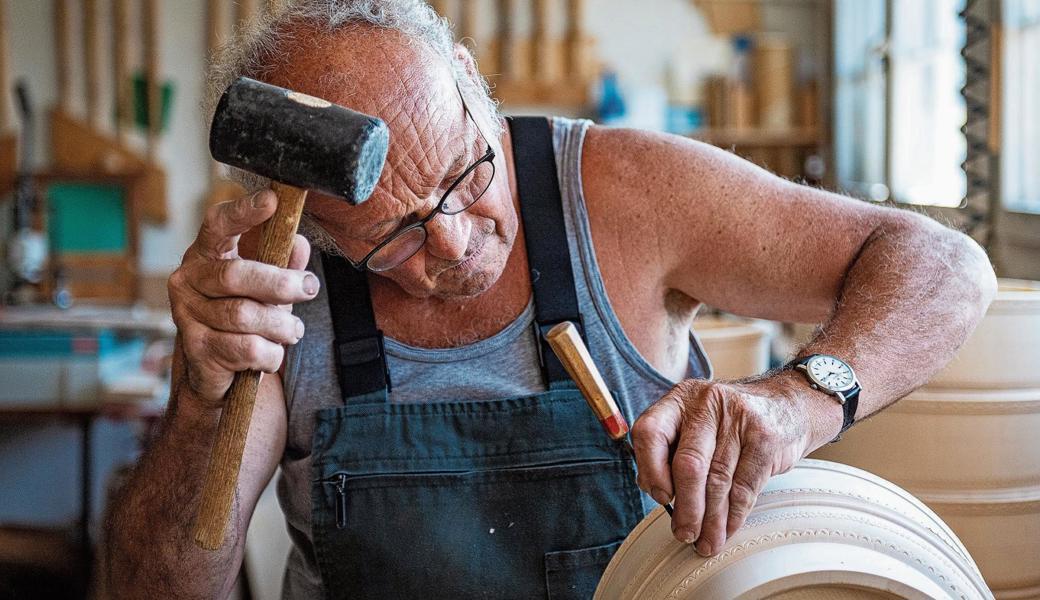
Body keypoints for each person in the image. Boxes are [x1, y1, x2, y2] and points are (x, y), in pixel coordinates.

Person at [105, 1, 997, 598]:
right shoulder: (273, 290)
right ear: (321, 226)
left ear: (471, 80)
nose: (452, 242)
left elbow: (943, 264)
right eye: (392, 236)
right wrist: (198, 398)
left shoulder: (622, 190)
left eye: (466, 173)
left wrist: (803, 399)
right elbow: (155, 590)